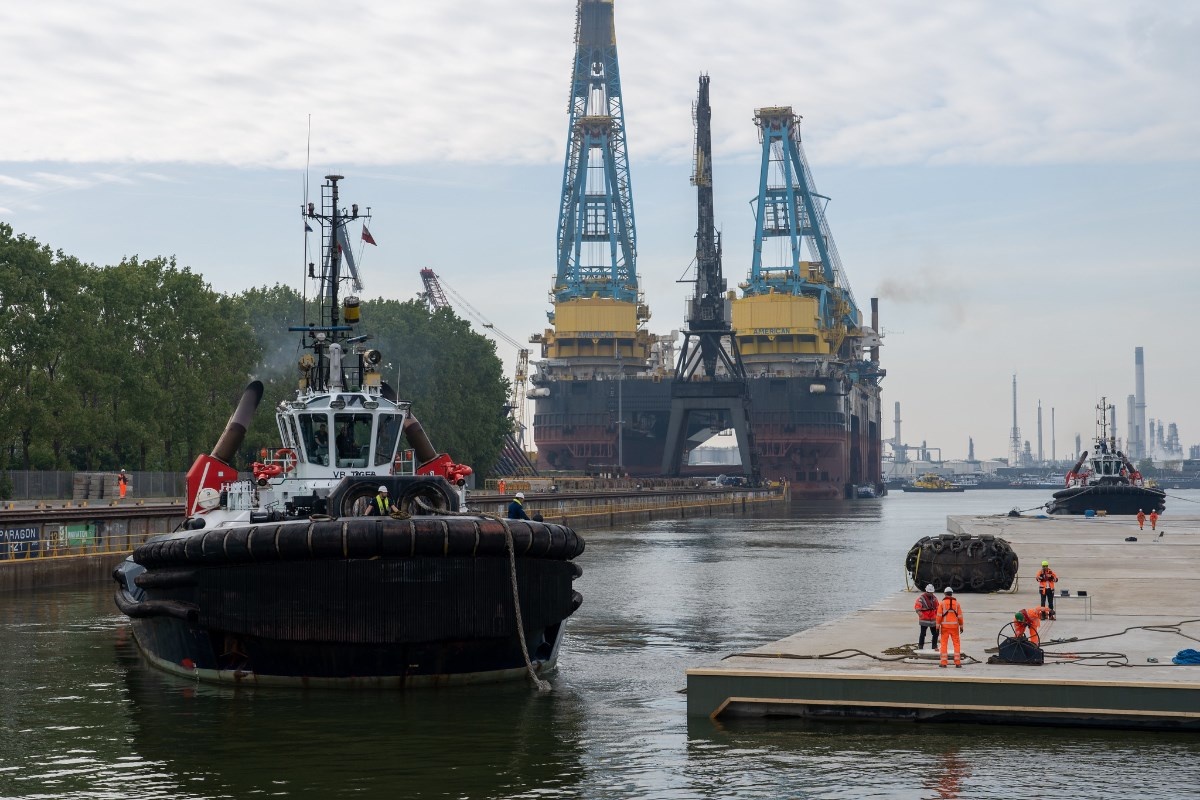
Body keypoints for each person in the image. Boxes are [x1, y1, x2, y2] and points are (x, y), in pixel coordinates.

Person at [937, 587, 965, 668]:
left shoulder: (941, 603)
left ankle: (943, 663)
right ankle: (957, 663)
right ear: (951, 594)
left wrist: (937, 627)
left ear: (945, 594)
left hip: (945, 627)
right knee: (956, 644)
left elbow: (938, 616)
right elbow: (960, 616)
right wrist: (961, 626)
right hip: (954, 627)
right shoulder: (957, 604)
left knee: (944, 644)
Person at [914, 583, 940, 650]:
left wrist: (938, 617)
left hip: (933, 620)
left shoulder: (934, 598)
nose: (931, 594)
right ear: (926, 591)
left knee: (935, 634)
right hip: (924, 619)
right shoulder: (921, 599)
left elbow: (938, 607)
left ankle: (934, 646)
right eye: (929, 592)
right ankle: (920, 646)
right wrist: (920, 613)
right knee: (923, 634)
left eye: (931, 592)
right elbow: (917, 607)